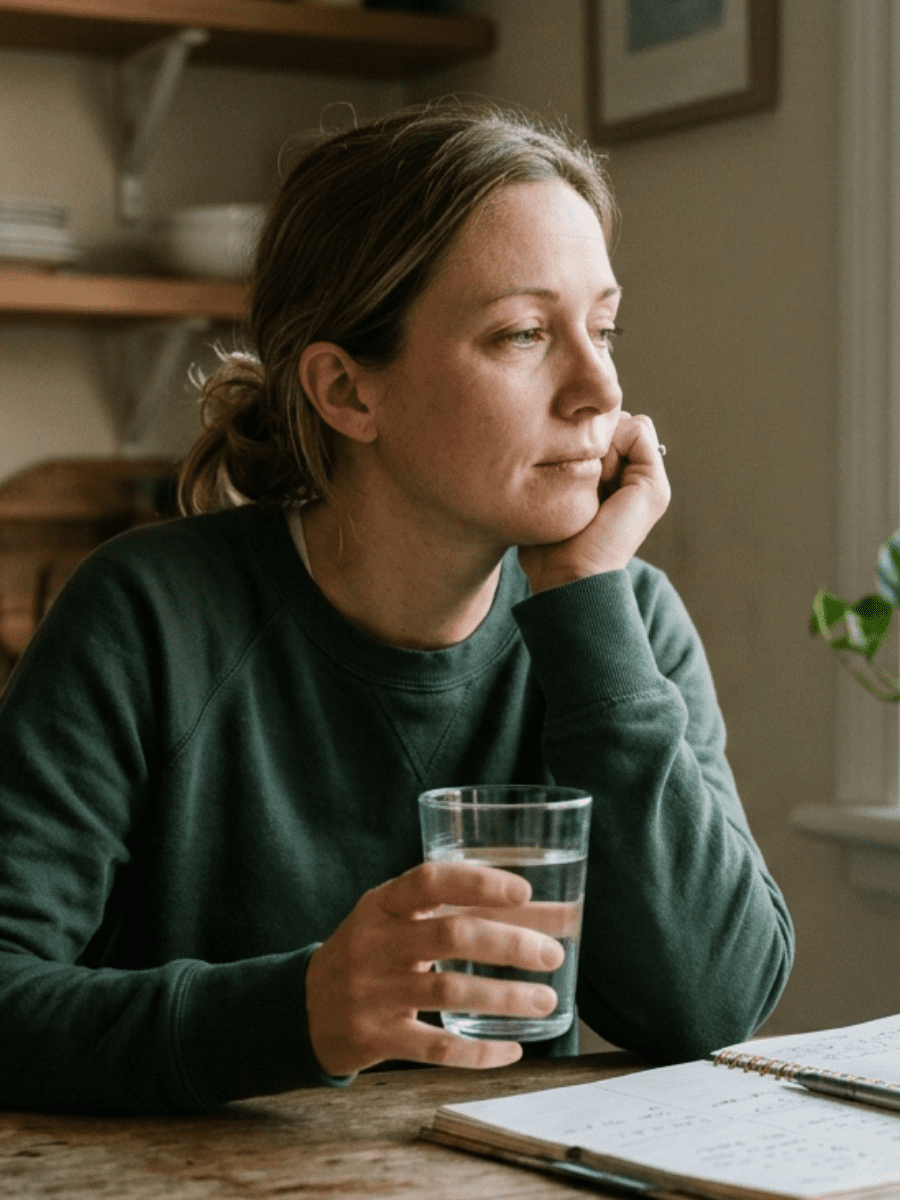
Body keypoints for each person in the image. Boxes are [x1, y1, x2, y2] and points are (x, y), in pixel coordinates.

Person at [0, 104, 793, 1114]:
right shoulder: (146, 618)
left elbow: (713, 1009)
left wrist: (587, 610)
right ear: (346, 390)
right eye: (523, 333)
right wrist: (297, 1012)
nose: (601, 389)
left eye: (604, 328)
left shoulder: (620, 619)